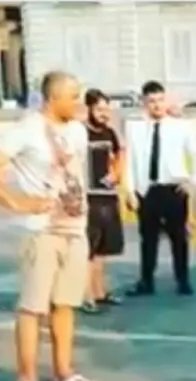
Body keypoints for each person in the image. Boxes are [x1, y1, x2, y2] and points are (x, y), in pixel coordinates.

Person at [0, 71, 105, 381]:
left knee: (65, 304)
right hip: (41, 231)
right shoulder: (27, 129)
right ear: (53, 98)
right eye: (73, 96)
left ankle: (64, 371)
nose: (79, 102)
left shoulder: (77, 131)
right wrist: (15, 202)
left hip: (75, 228)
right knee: (32, 307)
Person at [124, 80, 196, 297]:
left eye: (160, 100)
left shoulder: (181, 127)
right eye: (152, 101)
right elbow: (130, 161)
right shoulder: (135, 128)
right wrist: (130, 190)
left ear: (166, 101)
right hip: (147, 189)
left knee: (178, 237)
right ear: (144, 103)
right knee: (148, 239)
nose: (157, 105)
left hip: (173, 189)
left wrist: (192, 181)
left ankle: (182, 280)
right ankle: (146, 281)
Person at [81, 89, 126, 314]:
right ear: (88, 109)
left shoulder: (109, 133)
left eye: (106, 109)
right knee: (88, 249)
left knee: (102, 250)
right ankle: (86, 295)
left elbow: (120, 154)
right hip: (87, 197)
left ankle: (100, 292)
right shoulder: (79, 132)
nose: (103, 114)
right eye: (99, 109)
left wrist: (116, 173)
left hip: (107, 196)